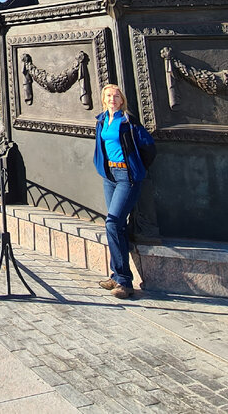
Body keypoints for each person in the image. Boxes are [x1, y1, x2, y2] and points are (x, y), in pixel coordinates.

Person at [93, 83, 155, 300]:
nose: (112, 99)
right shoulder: (101, 121)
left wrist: (137, 168)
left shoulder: (128, 121)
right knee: (116, 226)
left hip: (126, 177)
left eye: (116, 96)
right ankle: (116, 274)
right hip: (109, 176)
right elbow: (100, 147)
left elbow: (148, 146)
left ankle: (125, 282)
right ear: (104, 99)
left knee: (112, 222)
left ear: (122, 100)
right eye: (109, 95)